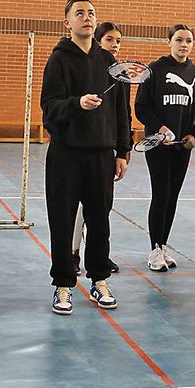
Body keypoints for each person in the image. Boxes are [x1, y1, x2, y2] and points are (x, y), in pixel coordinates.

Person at [40, 0, 131, 315]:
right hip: (65, 154)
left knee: (99, 221)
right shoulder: (59, 60)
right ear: (67, 22)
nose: (87, 17)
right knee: (63, 222)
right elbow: (48, 109)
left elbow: (122, 110)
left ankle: (99, 280)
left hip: (101, 155)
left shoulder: (109, 62)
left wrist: (123, 150)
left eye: (91, 13)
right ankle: (63, 285)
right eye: (79, 13)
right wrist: (76, 104)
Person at [135, 24, 195, 272]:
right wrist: (160, 128)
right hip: (157, 145)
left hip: (182, 147)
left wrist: (193, 135)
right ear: (169, 42)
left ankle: (163, 245)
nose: (183, 44)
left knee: (173, 196)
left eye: (188, 40)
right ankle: (154, 249)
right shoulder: (154, 70)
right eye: (179, 40)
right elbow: (141, 107)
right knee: (161, 193)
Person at [72, 20, 127, 275]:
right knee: (78, 210)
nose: (114, 45)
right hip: (81, 150)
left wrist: (123, 152)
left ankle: (98, 257)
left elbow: (122, 114)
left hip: (106, 151)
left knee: (100, 211)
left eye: (118, 41)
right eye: (109, 40)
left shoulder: (119, 73)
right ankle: (72, 253)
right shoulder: (88, 67)